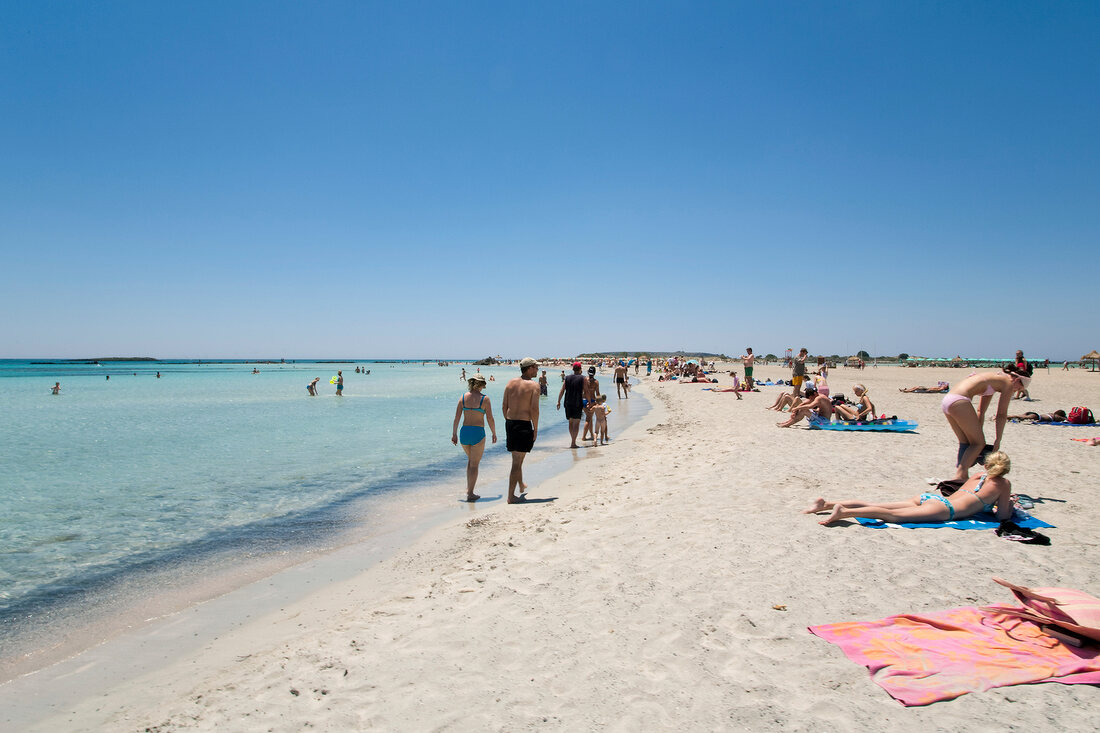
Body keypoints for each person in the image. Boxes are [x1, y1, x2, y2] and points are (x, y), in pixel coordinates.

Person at [805, 451, 1014, 525]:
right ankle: (845, 512)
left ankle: (827, 504)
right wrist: (1010, 505)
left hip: (930, 499)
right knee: (892, 515)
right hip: (945, 510)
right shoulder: (1003, 484)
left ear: (987, 465)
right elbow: (1003, 516)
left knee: (880, 505)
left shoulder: (978, 475)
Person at [942, 369, 1027, 481]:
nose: (1017, 391)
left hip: (948, 401)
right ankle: (960, 476)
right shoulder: (1007, 383)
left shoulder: (993, 379)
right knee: (978, 444)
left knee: (966, 442)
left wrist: (977, 433)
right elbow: (1001, 414)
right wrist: (998, 440)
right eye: (1019, 388)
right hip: (959, 401)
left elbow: (981, 412)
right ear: (1016, 380)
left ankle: (960, 476)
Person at [451, 374, 498, 502]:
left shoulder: (462, 398)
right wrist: (494, 433)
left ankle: (469, 489)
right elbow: (490, 418)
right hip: (478, 433)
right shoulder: (485, 399)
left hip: (464, 433)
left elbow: (457, 418)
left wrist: (454, 434)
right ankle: (471, 493)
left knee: (471, 462)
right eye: (483, 384)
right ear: (481, 384)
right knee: (474, 464)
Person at [502, 358, 540, 503]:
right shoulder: (534, 386)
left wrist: (509, 422)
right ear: (529, 368)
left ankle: (520, 485)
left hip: (510, 423)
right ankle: (511, 496)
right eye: (536, 367)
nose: (537, 369)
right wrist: (535, 428)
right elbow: (534, 409)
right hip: (524, 424)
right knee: (517, 462)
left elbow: (504, 406)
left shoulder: (510, 383)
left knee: (517, 459)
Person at [557, 361, 586, 448]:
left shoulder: (567, 378)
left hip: (568, 403)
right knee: (576, 423)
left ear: (573, 369)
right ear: (580, 369)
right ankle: (573, 442)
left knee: (570, 422)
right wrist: (590, 401)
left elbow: (562, 390)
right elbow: (586, 391)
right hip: (577, 403)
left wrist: (558, 401)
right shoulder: (583, 378)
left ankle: (572, 441)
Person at [582, 366, 600, 441]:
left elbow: (581, 392)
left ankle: (591, 434)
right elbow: (598, 393)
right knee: (588, 419)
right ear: (594, 373)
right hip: (592, 401)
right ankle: (583, 437)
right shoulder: (596, 382)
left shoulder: (584, 380)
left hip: (584, 400)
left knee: (590, 418)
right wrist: (599, 403)